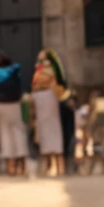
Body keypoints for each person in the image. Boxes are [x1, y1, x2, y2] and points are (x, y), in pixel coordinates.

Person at [0, 44, 26, 176]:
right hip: (15, 104)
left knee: (5, 134)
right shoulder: (15, 69)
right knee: (18, 133)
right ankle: (21, 165)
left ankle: (10, 166)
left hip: (1, 104)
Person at [29, 49, 66, 177]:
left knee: (53, 131)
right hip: (42, 102)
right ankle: (47, 167)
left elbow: (60, 87)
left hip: (50, 100)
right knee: (44, 133)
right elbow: (34, 87)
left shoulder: (53, 73)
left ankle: (59, 167)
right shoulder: (38, 74)